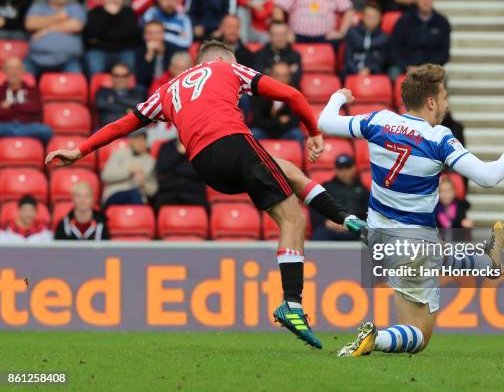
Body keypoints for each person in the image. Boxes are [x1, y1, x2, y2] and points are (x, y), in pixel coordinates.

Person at [46, 40, 366, 350]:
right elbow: (292, 94)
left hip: (206, 167)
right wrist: (313, 134)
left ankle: (349, 220)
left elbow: (123, 124)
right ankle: (292, 303)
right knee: (292, 217)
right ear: (223, 59)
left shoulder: (167, 91)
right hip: (232, 142)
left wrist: (80, 149)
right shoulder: (229, 70)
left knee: (287, 171)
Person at [316, 64, 504, 357]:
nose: (447, 103)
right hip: (412, 241)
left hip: (379, 237)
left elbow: (325, 123)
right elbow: (488, 177)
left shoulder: (378, 121)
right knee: (420, 333)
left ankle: (487, 262)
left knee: (436, 253)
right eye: (444, 97)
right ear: (431, 101)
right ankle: (374, 339)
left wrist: (339, 97)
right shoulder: (438, 138)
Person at [388, 0, 450, 79]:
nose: (426, 1)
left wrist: (427, 68)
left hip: (430, 68)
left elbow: (444, 54)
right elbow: (393, 48)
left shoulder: (442, 22)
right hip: (405, 67)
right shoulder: (404, 20)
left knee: (443, 78)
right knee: (393, 73)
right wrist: (406, 66)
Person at [23, 0, 86, 77]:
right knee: (22, 80)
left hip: (68, 60)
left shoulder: (75, 7)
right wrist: (59, 17)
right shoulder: (38, 7)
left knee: (76, 83)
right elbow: (30, 24)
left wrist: (44, 30)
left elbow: (76, 26)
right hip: (35, 59)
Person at [83, 0, 141, 76]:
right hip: (99, 51)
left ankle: (131, 90)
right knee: (95, 66)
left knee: (131, 64)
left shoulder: (129, 12)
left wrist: (102, 38)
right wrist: (107, 15)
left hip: (124, 51)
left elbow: (132, 35)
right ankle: (96, 89)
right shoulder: (94, 12)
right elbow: (91, 34)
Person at [311, 154, 368, 241]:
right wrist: (325, 222)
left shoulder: (363, 190)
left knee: (369, 236)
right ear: (335, 170)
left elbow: (369, 214)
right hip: (330, 229)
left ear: (354, 168)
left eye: (347, 167)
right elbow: (314, 209)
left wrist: (354, 225)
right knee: (320, 234)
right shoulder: (326, 187)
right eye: (340, 168)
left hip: (354, 229)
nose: (344, 172)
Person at [273, 0, 354, 44]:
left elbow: (348, 10)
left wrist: (342, 33)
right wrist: (284, 33)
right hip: (296, 36)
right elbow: (279, 8)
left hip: (326, 38)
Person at [0, 57, 51, 144]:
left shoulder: (32, 90)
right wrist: (24, 106)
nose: (14, 72)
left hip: (28, 126)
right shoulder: (1, 90)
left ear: (23, 70)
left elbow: (36, 108)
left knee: (45, 131)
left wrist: (12, 105)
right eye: (10, 68)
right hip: (5, 126)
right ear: (4, 71)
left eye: (17, 68)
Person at [101, 129, 158, 206]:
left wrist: (143, 184)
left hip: (138, 197)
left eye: (143, 139)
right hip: (115, 194)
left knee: (135, 194)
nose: (140, 142)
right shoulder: (119, 153)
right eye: (136, 138)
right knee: (134, 193)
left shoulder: (150, 161)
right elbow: (106, 176)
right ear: (130, 141)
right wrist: (128, 171)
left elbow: (153, 190)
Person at [250, 62, 303, 142]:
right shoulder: (259, 92)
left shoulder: (295, 94)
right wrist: (278, 121)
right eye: (278, 76)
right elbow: (256, 121)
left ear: (289, 78)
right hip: (265, 132)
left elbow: (295, 122)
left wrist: (272, 122)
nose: (281, 80)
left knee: (296, 134)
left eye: (285, 76)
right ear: (270, 75)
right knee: (254, 133)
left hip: (285, 133)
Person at [154, 138, 208, 211]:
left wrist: (174, 170)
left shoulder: (198, 146)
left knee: (205, 209)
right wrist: (179, 153)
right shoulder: (167, 146)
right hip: (170, 192)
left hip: (193, 192)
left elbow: (200, 171)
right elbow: (161, 168)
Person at [343, 2, 388, 77]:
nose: (371, 20)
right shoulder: (353, 32)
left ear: (380, 18)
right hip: (352, 72)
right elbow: (348, 58)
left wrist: (370, 70)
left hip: (374, 74)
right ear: (363, 16)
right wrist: (357, 71)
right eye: (369, 16)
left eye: (375, 17)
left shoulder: (384, 37)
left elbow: (382, 61)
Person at [95, 62, 146, 128]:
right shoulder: (102, 91)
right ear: (112, 77)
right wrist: (127, 110)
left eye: (124, 75)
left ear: (129, 77)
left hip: (131, 131)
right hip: (107, 129)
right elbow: (100, 105)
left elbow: (140, 106)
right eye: (117, 76)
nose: (121, 79)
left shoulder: (137, 92)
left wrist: (114, 100)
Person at [253, 21, 302, 87]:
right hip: (266, 94)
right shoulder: (260, 55)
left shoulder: (295, 56)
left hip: (289, 93)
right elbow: (258, 80)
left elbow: (295, 80)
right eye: (276, 35)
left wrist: (270, 73)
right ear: (269, 36)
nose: (280, 38)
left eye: (283, 34)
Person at [135, 20, 174, 90]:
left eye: (157, 33)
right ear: (144, 36)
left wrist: (161, 54)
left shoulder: (172, 51)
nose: (154, 36)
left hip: (169, 88)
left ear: (163, 34)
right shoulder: (139, 52)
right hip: (147, 91)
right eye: (150, 33)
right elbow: (141, 80)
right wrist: (149, 56)